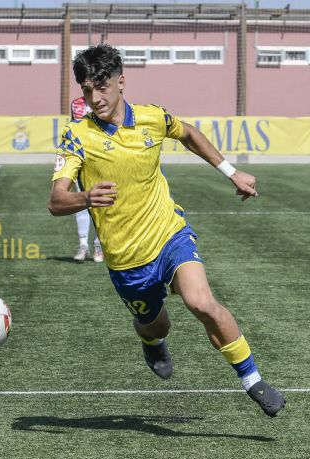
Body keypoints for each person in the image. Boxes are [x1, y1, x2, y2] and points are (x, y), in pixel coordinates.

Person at [48, 44, 285, 417]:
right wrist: (86, 198)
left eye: (102, 87)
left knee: (201, 302)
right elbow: (56, 201)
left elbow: (188, 133)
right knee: (154, 324)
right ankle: (154, 342)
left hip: (169, 234)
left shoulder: (152, 118)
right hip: (127, 260)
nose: (95, 98)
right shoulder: (76, 135)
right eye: (87, 90)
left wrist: (232, 172)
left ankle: (252, 378)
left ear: (121, 81)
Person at [70, 95, 104, 263]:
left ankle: (98, 245)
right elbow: (75, 129)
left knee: (100, 202)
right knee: (81, 202)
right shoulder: (76, 104)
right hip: (82, 159)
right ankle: (83, 245)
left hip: (103, 158)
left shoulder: (106, 100)